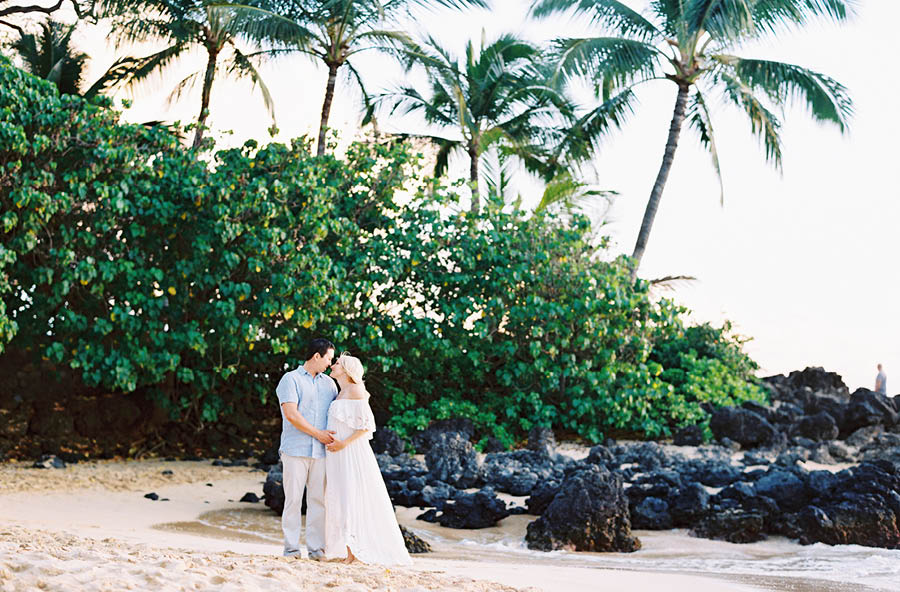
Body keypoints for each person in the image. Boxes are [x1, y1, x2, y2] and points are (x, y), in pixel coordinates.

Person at [324, 353, 411, 566]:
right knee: (342, 499)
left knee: (352, 498)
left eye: (337, 363)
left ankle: (355, 553)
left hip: (352, 453)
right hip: (337, 455)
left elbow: (367, 426)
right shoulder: (339, 392)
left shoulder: (356, 390)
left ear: (346, 369)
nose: (333, 365)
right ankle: (349, 552)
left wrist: (344, 443)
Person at [276, 338, 338, 559]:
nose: (330, 364)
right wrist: (318, 434)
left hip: (322, 453)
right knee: (292, 500)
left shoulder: (329, 384)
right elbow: (291, 415)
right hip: (295, 450)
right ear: (316, 356)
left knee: (318, 502)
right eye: (329, 358)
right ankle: (291, 549)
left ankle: (316, 549)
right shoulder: (290, 379)